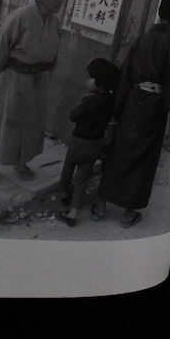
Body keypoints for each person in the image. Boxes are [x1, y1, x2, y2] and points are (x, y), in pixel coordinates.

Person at [93, 0, 170, 226]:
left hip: (133, 101)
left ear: (160, 12)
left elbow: (126, 72)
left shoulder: (143, 38)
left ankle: (101, 204)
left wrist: (119, 106)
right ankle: (128, 212)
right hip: (155, 107)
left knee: (120, 151)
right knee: (144, 158)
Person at [0, 0, 67, 188]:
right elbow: (2, 42)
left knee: (31, 122)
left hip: (39, 78)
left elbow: (54, 51)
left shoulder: (54, 22)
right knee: (5, 119)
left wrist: (48, 70)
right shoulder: (20, 16)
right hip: (16, 77)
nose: (60, 1)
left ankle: (20, 162)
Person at [58, 57, 120, 226]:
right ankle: (73, 214)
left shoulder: (89, 101)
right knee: (82, 180)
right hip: (95, 145)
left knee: (67, 170)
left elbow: (73, 116)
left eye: (90, 78)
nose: (86, 80)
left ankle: (64, 195)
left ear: (99, 83)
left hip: (78, 143)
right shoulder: (111, 100)